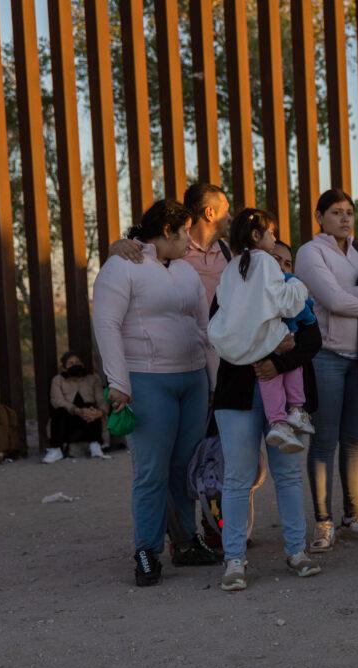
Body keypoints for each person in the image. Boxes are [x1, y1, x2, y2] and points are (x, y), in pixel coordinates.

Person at [93, 199, 219, 587]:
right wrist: (119, 383)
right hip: (146, 381)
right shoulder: (122, 267)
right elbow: (107, 324)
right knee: (151, 472)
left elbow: (205, 329)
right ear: (168, 231)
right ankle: (145, 551)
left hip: (192, 378)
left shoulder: (185, 271)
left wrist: (215, 383)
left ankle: (184, 543)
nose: (189, 240)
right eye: (185, 232)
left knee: (184, 468)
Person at [210, 216, 323, 591]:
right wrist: (261, 352)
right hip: (237, 395)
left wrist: (277, 362)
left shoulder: (287, 286)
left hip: (282, 392)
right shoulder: (233, 283)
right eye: (276, 258)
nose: (280, 267)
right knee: (238, 478)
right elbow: (225, 334)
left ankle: (296, 551)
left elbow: (311, 340)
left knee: (288, 474)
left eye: (285, 263)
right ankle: (234, 559)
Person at [295, 189, 358, 550]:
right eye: (336, 212)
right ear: (320, 216)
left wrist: (356, 297)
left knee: (355, 440)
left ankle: (354, 516)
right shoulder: (310, 253)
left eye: (350, 212)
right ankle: (323, 522)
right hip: (326, 356)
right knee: (324, 441)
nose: (345, 218)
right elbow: (333, 302)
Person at [209, 209, 314, 455]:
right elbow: (283, 301)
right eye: (272, 234)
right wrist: (297, 285)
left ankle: (279, 421)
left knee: (268, 371)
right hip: (267, 338)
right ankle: (294, 411)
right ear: (257, 235)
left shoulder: (232, 267)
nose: (275, 241)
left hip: (238, 345)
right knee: (287, 359)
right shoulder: (267, 262)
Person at [109, 182, 233, 302]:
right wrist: (116, 247)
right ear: (209, 213)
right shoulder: (172, 250)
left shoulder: (229, 253)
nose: (229, 217)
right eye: (226, 211)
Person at [43, 351, 110, 463]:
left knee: (91, 408)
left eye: (77, 362)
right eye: (70, 363)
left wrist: (100, 412)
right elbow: (57, 401)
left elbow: (102, 399)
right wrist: (76, 410)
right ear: (64, 367)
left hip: (90, 421)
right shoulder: (58, 380)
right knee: (59, 412)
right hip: (69, 420)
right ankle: (56, 449)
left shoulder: (93, 379)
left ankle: (95, 445)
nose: (75, 365)